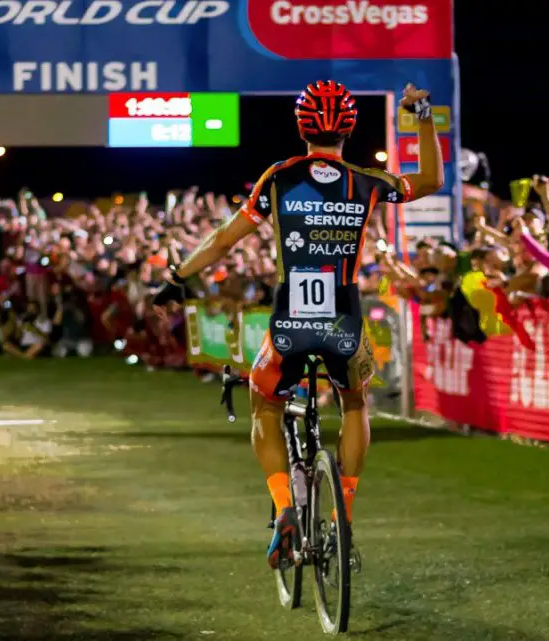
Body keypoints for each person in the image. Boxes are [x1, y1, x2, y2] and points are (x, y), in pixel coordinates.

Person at [153, 81, 444, 568]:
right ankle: (343, 517)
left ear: (302, 127)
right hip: (344, 323)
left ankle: (286, 507)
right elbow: (430, 179)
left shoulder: (279, 177)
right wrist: (423, 112)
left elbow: (225, 239)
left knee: (262, 406)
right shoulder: (366, 180)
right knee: (354, 403)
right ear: (350, 129)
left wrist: (177, 277)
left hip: (290, 323)